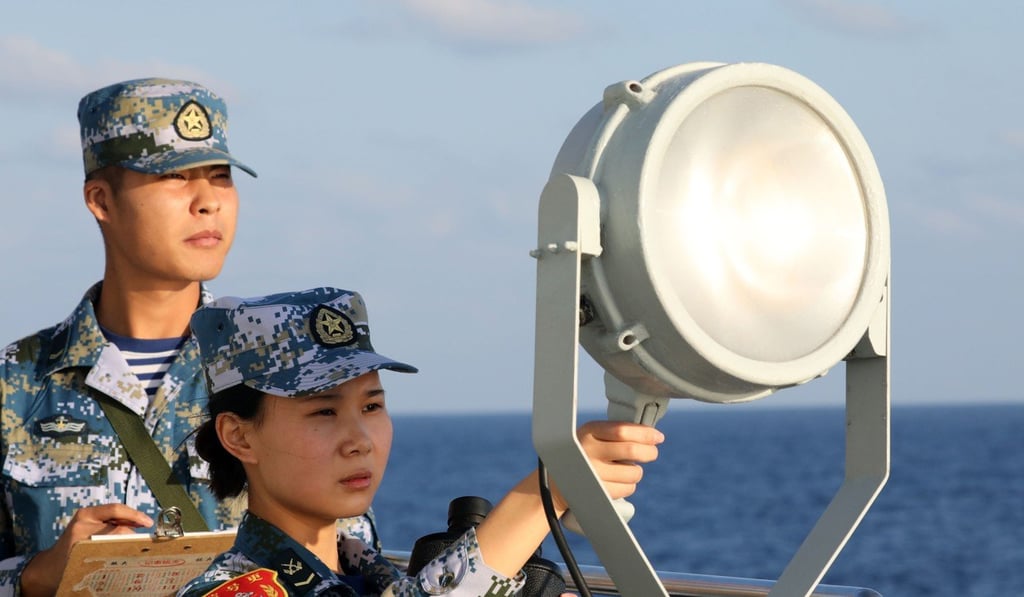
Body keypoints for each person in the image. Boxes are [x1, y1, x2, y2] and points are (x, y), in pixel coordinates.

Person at [0, 78, 321, 597]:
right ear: (101, 200)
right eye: (174, 177)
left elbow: (349, 559)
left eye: (220, 177)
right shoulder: (16, 384)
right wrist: (35, 577)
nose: (207, 202)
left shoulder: (279, 370)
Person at [176, 286, 663, 596]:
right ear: (239, 436)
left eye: (372, 406)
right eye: (323, 411)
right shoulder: (233, 592)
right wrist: (544, 495)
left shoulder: (372, 575)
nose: (359, 439)